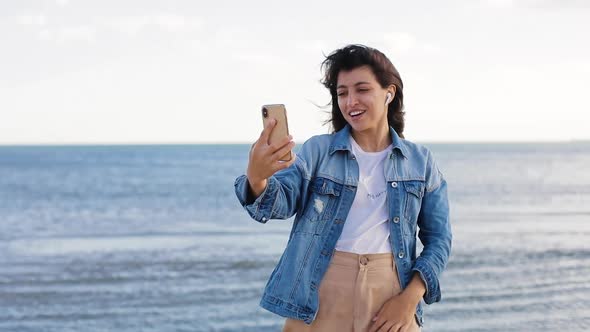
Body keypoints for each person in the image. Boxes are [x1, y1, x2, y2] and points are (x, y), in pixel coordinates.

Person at [234, 44, 452, 332]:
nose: (351, 102)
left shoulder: (420, 161)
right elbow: (279, 202)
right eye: (342, 93)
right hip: (320, 297)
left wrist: (410, 299)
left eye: (362, 90)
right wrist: (257, 178)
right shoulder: (318, 152)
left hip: (391, 297)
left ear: (389, 92)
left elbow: (439, 240)